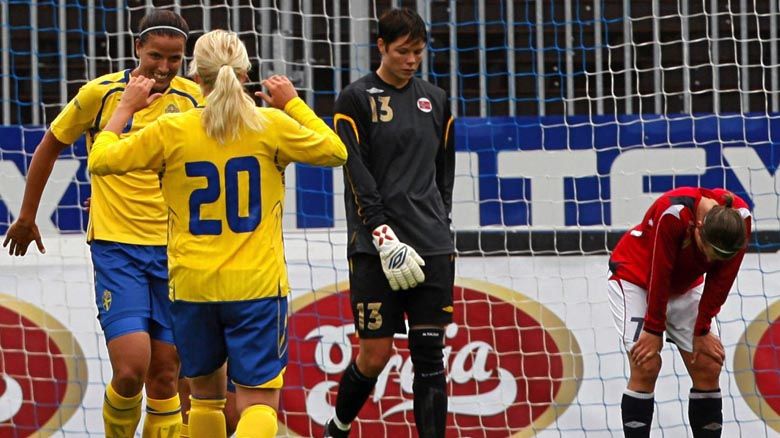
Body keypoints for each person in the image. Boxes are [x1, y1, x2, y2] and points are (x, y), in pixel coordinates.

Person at [87, 29, 347, 438]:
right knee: (258, 404)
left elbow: (100, 160)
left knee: (205, 400)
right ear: (244, 74)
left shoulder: (173, 129)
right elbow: (336, 151)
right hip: (256, 285)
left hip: (192, 286)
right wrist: (293, 104)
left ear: (196, 77)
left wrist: (124, 108)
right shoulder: (270, 125)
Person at [2, 10, 201, 437]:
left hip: (176, 251)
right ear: (137, 49)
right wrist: (27, 215)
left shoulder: (193, 99)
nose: (164, 67)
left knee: (166, 375)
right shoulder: (103, 93)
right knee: (131, 369)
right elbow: (50, 145)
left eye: (174, 59)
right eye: (155, 56)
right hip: (117, 248)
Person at [325, 8, 455, 438]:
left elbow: (444, 173)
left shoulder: (436, 100)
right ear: (381, 46)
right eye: (402, 51)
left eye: (418, 51)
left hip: (431, 245)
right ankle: (338, 427)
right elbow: (356, 172)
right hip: (374, 248)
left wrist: (440, 224)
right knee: (375, 355)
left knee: (430, 355)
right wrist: (381, 234)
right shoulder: (354, 99)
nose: (411, 59)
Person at [608, 187, 752, 438]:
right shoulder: (673, 212)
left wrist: (702, 329)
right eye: (707, 252)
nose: (710, 261)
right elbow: (659, 272)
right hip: (636, 279)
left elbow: (721, 281)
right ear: (698, 227)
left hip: (684, 286)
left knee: (707, 364)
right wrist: (653, 329)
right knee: (646, 364)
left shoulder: (740, 220)